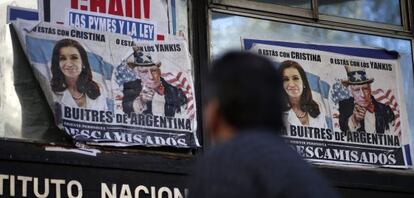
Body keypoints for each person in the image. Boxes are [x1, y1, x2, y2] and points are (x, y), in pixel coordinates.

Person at [189, 52, 338, 198]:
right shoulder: (306, 172)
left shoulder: (223, 164)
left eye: (205, 102)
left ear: (215, 107)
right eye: (285, 80)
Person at [122, 46, 187, 116]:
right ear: (137, 74)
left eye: (153, 70)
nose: (151, 77)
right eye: (144, 72)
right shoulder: (129, 88)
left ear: (159, 71)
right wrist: (140, 101)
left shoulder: (175, 91)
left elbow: (183, 112)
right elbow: (126, 108)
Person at [50, 39, 106, 110]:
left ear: (83, 62)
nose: (69, 64)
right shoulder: (51, 91)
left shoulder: (98, 89)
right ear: (58, 64)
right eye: (63, 58)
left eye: (74, 58)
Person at [339, 66, 395, 134]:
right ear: (351, 92)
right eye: (357, 90)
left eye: (365, 89)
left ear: (370, 89)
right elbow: (343, 128)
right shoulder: (344, 107)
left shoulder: (385, 110)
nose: (362, 95)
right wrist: (354, 119)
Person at [278, 60, 327, 128]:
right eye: (286, 79)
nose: (291, 84)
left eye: (295, 78)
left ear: (304, 82)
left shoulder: (318, 107)